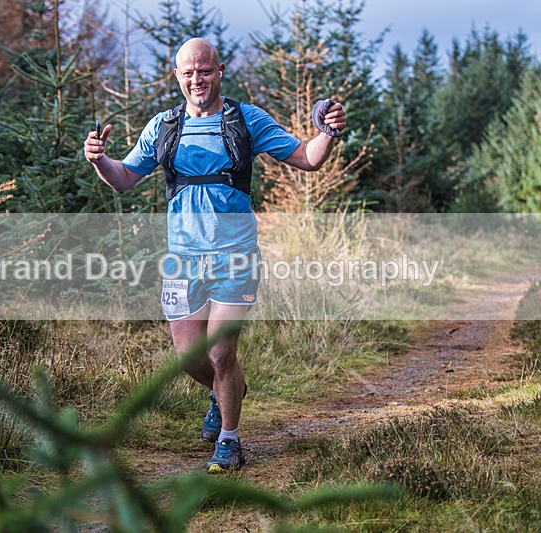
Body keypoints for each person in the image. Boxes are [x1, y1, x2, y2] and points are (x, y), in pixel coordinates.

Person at [83, 37, 346, 473]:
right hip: (182, 259)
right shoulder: (164, 126)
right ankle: (227, 392)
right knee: (190, 357)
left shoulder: (246, 120)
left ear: (220, 71)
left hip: (235, 256)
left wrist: (327, 132)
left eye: (204, 71)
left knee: (221, 353)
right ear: (177, 76)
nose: (197, 80)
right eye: (188, 72)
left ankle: (229, 440)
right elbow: (125, 177)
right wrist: (99, 160)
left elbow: (306, 158)